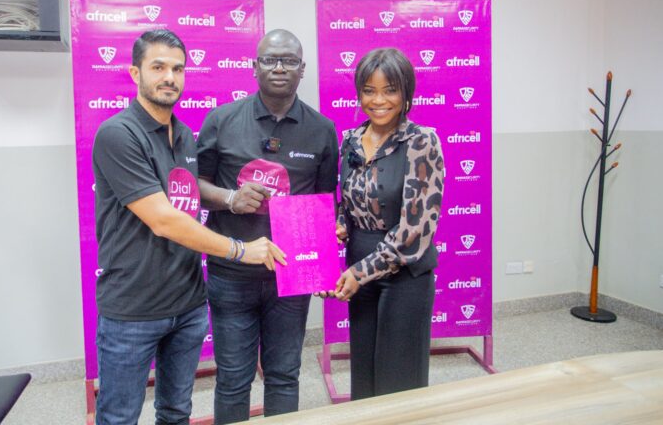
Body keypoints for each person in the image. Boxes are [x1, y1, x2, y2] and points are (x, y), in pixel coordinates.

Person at [92, 29, 286, 425]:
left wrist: (230, 198)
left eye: (178, 69)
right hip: (133, 309)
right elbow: (163, 219)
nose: (169, 77)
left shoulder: (182, 134)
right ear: (135, 73)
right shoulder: (118, 135)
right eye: (158, 67)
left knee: (177, 412)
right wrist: (240, 250)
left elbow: (187, 192)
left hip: (187, 304)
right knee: (119, 418)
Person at [197, 29, 339, 423]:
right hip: (231, 272)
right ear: (254, 67)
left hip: (290, 278)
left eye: (289, 61)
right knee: (232, 380)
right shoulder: (221, 120)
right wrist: (230, 198)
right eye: (270, 60)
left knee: (284, 376)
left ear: (302, 69)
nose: (279, 68)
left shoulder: (322, 129)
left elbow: (324, 203)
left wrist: (323, 267)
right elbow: (195, 186)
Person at [329, 47, 444, 400]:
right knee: (364, 375)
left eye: (389, 90)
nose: (378, 101)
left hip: (404, 272)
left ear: (406, 93)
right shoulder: (349, 140)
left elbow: (414, 230)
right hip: (359, 265)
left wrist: (360, 272)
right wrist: (336, 228)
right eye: (369, 90)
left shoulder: (421, 142)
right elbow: (348, 202)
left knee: (399, 381)